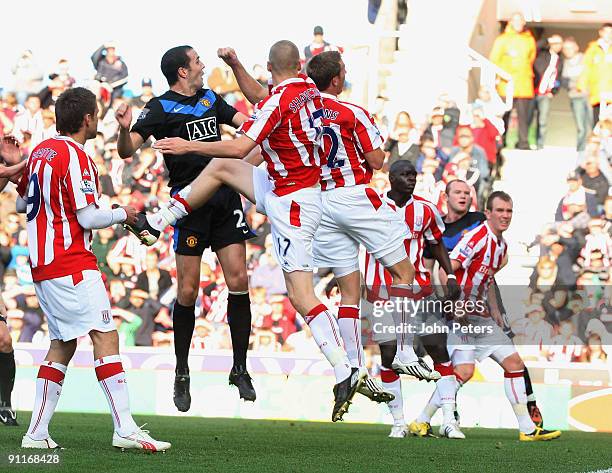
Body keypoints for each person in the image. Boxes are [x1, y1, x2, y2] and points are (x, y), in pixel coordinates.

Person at [126, 41, 369, 422]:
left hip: (289, 201)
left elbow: (243, 141)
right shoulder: (304, 89)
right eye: (198, 61)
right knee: (221, 174)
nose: (203, 65)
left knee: (300, 296)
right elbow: (260, 102)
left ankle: (345, 369)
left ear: (271, 66)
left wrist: (189, 144)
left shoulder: (270, 99)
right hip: (287, 188)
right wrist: (236, 63)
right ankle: (158, 222)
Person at [15, 87, 169, 451]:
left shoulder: (41, 151)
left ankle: (36, 434)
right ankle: (125, 428)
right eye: (96, 114)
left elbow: (25, 202)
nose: (97, 120)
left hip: (44, 265)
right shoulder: (77, 155)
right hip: (71, 262)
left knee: (63, 343)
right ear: (87, 119)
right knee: (105, 335)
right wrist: (124, 213)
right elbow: (89, 216)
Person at [114, 45, 256, 410]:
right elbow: (128, 150)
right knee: (188, 291)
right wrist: (123, 127)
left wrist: (255, 120)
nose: (202, 65)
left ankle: (240, 368)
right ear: (182, 71)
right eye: (196, 61)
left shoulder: (212, 98)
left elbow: (245, 125)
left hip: (224, 200)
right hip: (188, 207)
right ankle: (182, 371)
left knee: (239, 281)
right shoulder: (160, 107)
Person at [304, 52, 428, 397]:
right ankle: (404, 349)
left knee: (348, 292)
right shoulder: (352, 112)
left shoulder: (301, 114)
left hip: (321, 203)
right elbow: (376, 160)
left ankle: (355, 368)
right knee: (405, 273)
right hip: (353, 196)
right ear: (336, 80)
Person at [419, 190, 561, 441]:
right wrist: (452, 304)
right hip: (461, 316)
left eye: (509, 211)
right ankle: (422, 420)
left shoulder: (501, 245)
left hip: (481, 317)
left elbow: (488, 278)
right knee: (463, 372)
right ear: (488, 213)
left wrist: (494, 308)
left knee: (514, 364)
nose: (505, 216)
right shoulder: (478, 237)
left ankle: (527, 429)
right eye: (500, 211)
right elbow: (446, 270)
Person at [363, 161, 463, 438]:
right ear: (391, 178)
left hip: (420, 289)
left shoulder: (425, 209)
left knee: (438, 350)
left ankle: (449, 420)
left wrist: (450, 276)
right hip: (382, 291)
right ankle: (398, 422)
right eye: (405, 175)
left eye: (413, 175)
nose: (411, 179)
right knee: (388, 356)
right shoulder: (373, 207)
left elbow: (436, 243)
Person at [490, 12, 536, 149]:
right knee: (504, 115)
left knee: (524, 116)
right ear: (510, 22)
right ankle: (501, 141)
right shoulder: (502, 39)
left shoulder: (529, 40)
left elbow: (531, 58)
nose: (518, 23)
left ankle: (523, 142)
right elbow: (494, 60)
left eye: (521, 21)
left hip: (524, 84)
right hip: (506, 84)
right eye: (515, 21)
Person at [562, 37, 593, 152]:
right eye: (565, 49)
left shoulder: (585, 58)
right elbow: (564, 81)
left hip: (589, 96)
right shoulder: (565, 63)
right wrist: (575, 85)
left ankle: (595, 151)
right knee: (581, 127)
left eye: (569, 48)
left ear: (576, 47)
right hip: (575, 97)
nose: (567, 51)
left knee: (593, 124)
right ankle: (581, 151)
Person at [533, 34, 564, 149]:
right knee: (529, 118)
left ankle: (539, 144)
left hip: (546, 94)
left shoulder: (560, 60)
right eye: (556, 43)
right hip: (533, 90)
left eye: (560, 44)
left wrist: (554, 91)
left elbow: (558, 78)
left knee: (543, 120)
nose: (558, 46)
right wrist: (548, 40)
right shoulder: (542, 54)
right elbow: (535, 47)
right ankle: (525, 142)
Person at [578, 23, 612, 125]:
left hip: (611, 92)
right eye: (606, 32)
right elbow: (586, 67)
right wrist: (582, 85)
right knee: (597, 123)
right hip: (597, 92)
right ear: (601, 32)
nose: (609, 34)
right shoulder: (593, 49)